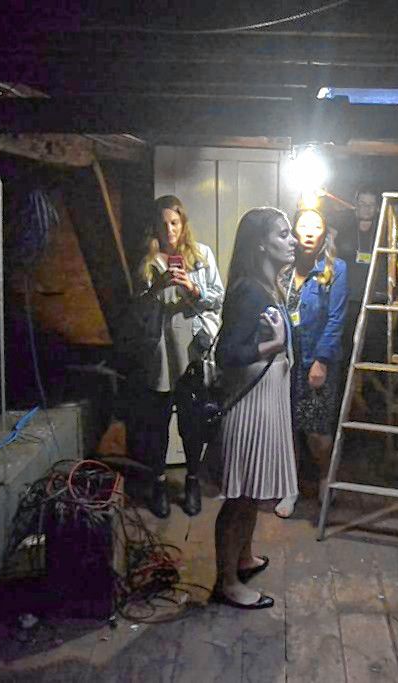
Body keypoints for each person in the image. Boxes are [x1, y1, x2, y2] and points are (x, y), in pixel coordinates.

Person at [211, 206, 298, 609]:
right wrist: (272, 346)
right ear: (261, 243)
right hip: (249, 406)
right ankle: (228, 582)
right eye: (283, 234)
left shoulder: (268, 286)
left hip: (265, 401)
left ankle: (243, 558)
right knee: (240, 497)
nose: (293, 239)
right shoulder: (248, 289)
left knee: (249, 493)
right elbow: (228, 353)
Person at [128, 195, 223, 518]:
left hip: (192, 355)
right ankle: (158, 483)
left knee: (192, 424)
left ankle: (192, 481)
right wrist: (157, 289)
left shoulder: (201, 256)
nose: (169, 230)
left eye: (175, 223)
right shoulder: (147, 263)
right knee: (157, 426)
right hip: (160, 358)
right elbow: (136, 314)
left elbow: (218, 299)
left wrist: (194, 290)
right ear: (155, 226)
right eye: (163, 223)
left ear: (183, 225)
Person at [275, 208, 348, 517]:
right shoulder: (283, 268)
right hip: (284, 361)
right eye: (302, 225)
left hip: (318, 361)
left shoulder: (336, 268)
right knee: (287, 427)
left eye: (315, 225)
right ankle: (289, 488)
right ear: (293, 230)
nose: (308, 231)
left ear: (324, 232)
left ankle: (324, 478)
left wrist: (321, 361)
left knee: (316, 432)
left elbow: (336, 319)